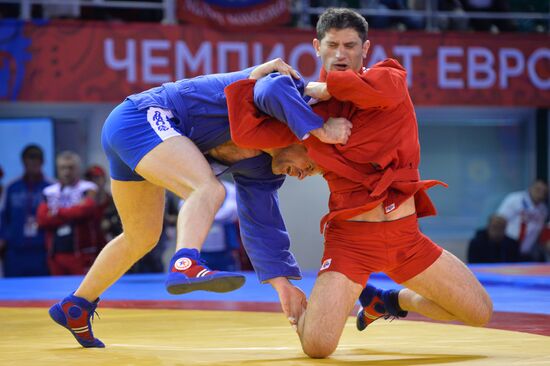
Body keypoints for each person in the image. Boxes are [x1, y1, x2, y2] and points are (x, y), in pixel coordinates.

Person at [225, 8, 492, 358]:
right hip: (350, 244)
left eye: (350, 45)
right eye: (332, 45)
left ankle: (388, 300)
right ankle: (339, 305)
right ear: (316, 46)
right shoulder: (307, 112)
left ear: (365, 49)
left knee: (479, 313)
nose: (340, 53)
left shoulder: (389, 80)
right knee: (318, 347)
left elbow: (373, 88)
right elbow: (245, 127)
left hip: (405, 239)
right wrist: (262, 78)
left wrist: (322, 88)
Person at [48, 59, 350, 348]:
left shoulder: (262, 171)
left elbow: (263, 225)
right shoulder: (276, 108)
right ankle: (186, 263)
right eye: (310, 167)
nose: (301, 176)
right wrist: (319, 121)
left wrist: (282, 286)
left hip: (137, 137)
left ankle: (77, 305)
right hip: (141, 116)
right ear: (304, 140)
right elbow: (272, 86)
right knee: (208, 188)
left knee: (141, 237)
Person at [36, 151, 101, 275]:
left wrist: (56, 212)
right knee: (57, 292)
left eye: (71, 167)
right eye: (63, 168)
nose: (67, 171)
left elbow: (85, 210)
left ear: (78, 169)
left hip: (82, 253)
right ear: (57, 169)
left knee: (83, 291)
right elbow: (42, 219)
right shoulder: (49, 191)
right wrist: (72, 212)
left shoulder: (88, 188)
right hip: (56, 254)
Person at [0, 145, 52, 277]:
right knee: (13, 292)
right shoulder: (11, 187)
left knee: (43, 292)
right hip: (15, 251)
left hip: (42, 251)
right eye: (30, 158)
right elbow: (3, 215)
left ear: (42, 162)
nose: (33, 162)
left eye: (37, 159)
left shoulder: (51, 187)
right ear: (23, 161)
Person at [496, 180, 548, 262]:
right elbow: (499, 221)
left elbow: (540, 232)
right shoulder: (515, 199)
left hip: (527, 250)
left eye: (544, 192)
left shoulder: (544, 210)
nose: (540, 194)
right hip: (509, 245)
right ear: (531, 188)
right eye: (538, 189)